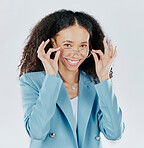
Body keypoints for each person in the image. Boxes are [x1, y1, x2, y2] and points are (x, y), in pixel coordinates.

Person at [18, 9, 125, 148]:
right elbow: (37, 132)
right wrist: (51, 78)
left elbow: (115, 133)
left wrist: (104, 79)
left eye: (82, 46)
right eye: (68, 45)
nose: (76, 54)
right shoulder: (32, 81)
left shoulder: (96, 83)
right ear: (54, 44)